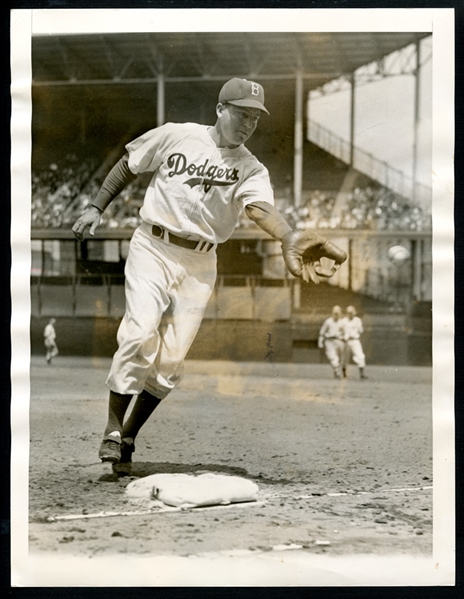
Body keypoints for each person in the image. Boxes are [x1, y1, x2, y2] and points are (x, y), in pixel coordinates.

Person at [72, 78, 347, 472]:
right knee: (139, 331)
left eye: (255, 117)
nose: (248, 123)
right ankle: (112, 429)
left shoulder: (252, 168)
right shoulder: (176, 135)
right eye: (241, 113)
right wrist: (96, 207)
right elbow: (129, 163)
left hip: (201, 261)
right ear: (220, 110)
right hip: (153, 244)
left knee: (171, 359)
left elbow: (258, 210)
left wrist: (288, 234)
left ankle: (129, 435)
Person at [318, 305, 346, 379]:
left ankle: (337, 372)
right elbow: (322, 332)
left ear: (340, 313)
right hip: (329, 341)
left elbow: (346, 333)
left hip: (339, 341)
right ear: (332, 313)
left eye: (337, 313)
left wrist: (345, 338)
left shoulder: (343, 322)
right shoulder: (328, 321)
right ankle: (337, 371)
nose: (336, 315)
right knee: (332, 357)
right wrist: (320, 341)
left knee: (340, 359)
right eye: (334, 313)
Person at [342, 305, 367, 380]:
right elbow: (340, 331)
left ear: (354, 312)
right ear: (347, 313)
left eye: (351, 312)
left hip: (355, 340)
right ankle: (344, 374)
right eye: (349, 312)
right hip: (346, 341)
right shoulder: (343, 321)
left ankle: (362, 374)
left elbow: (361, 330)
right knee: (345, 358)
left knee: (361, 356)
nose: (350, 314)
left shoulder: (357, 320)